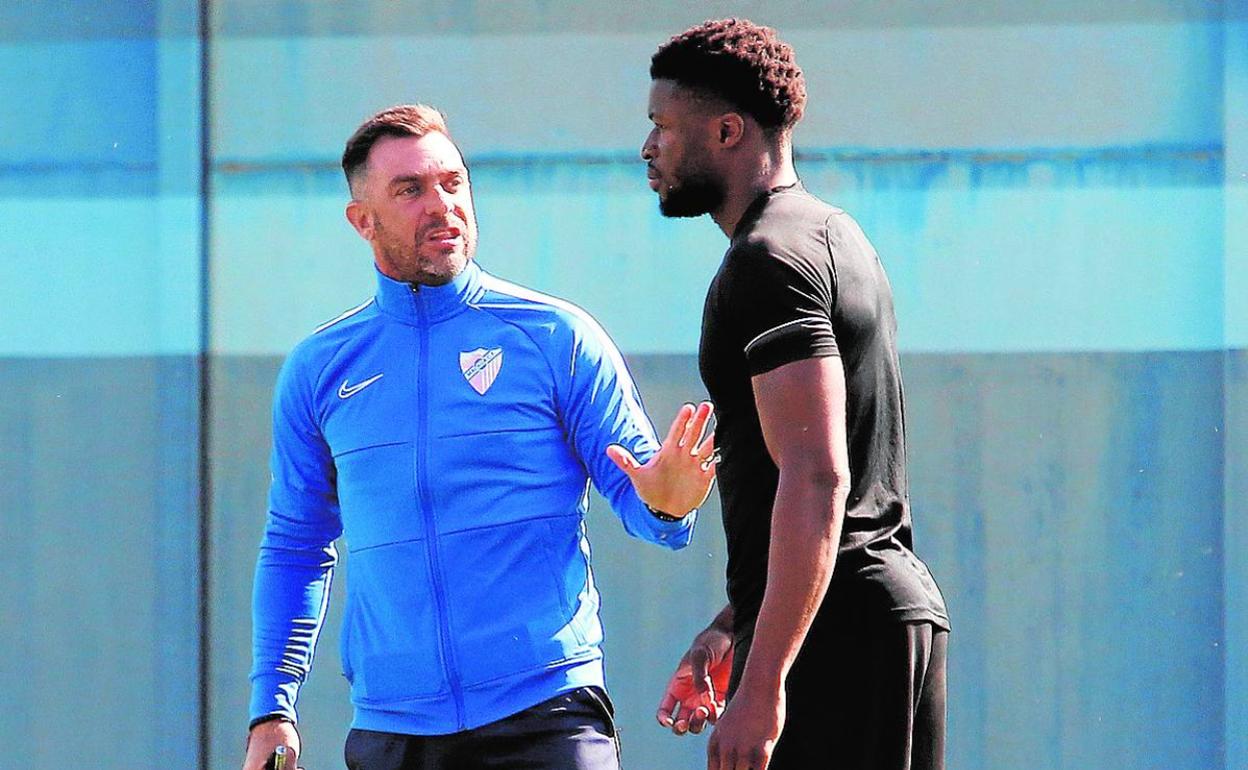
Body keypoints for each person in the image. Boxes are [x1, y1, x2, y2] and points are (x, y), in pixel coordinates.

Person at [243, 103, 718, 770]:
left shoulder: (557, 338)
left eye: (453, 182)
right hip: (394, 731)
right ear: (362, 220)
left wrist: (670, 501)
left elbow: (651, 507)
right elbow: (296, 544)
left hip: (547, 716)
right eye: (410, 190)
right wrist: (273, 707)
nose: (443, 206)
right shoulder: (320, 370)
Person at [641, 19, 951, 770]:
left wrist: (765, 681)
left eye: (663, 128)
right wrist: (735, 625)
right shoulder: (834, 235)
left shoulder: (767, 260)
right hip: (883, 616)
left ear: (725, 131)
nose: (648, 148)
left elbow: (816, 475)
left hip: (839, 639)